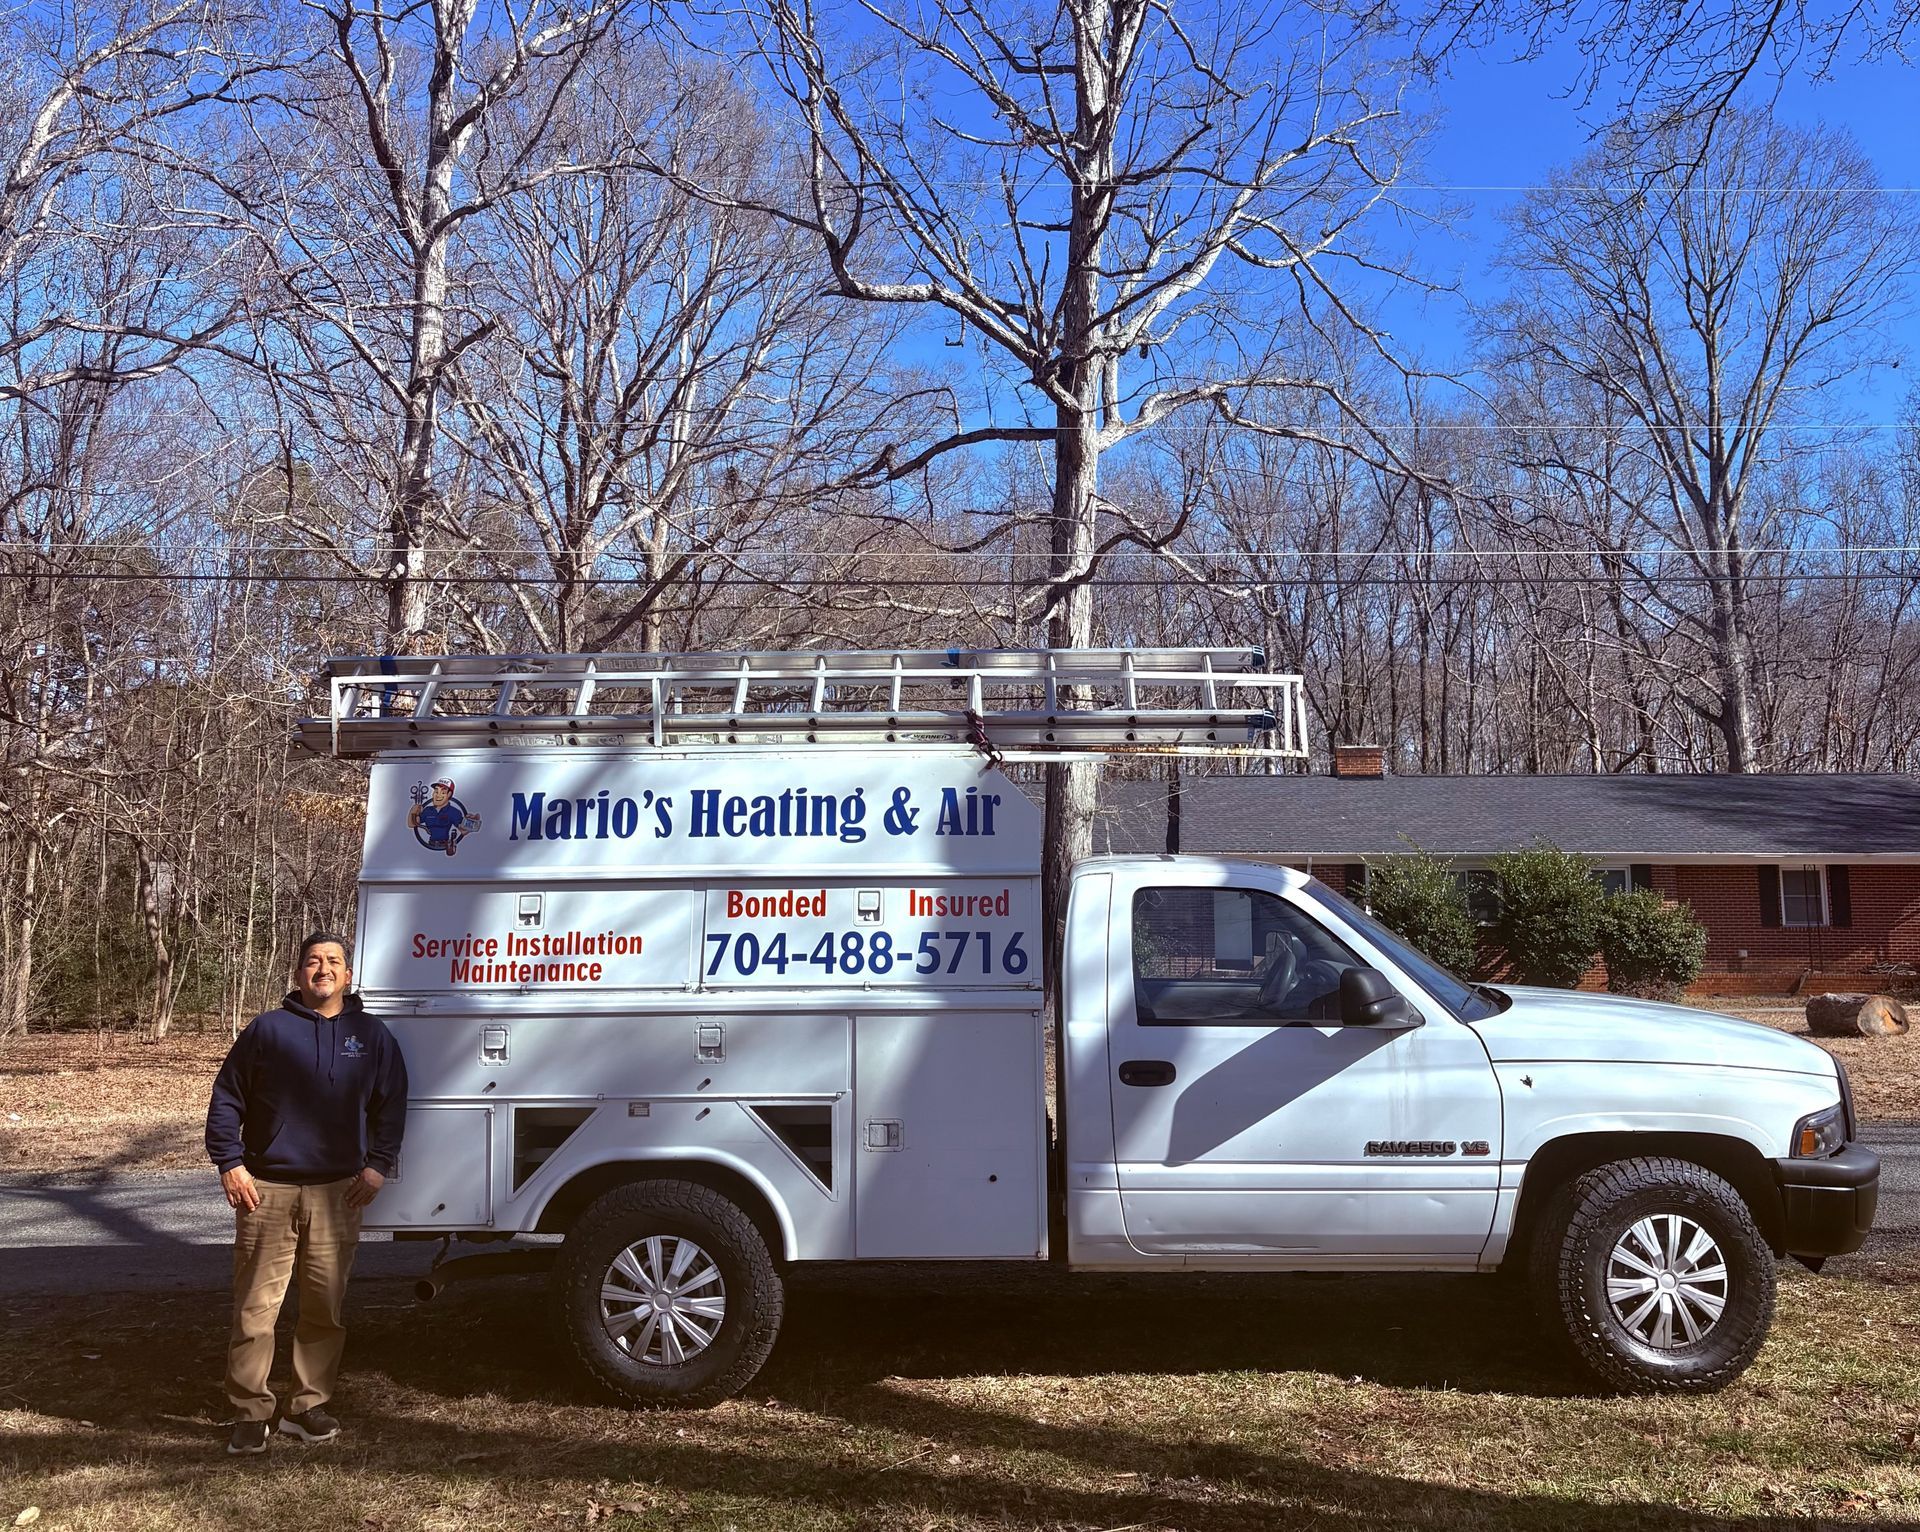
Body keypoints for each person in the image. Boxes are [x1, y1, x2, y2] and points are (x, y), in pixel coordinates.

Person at [206, 931, 407, 1455]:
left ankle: (306, 1406)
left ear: (347, 974)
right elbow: (227, 1098)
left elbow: (392, 1104)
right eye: (313, 961)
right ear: (298, 974)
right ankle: (251, 1411)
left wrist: (378, 1166)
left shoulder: (372, 1035)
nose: (323, 969)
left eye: (334, 961)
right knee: (256, 1309)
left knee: (324, 1307)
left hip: (339, 1192)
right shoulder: (267, 1031)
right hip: (266, 1190)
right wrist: (230, 1163)